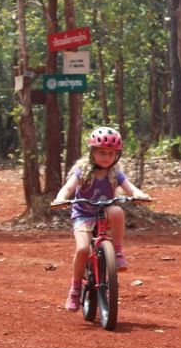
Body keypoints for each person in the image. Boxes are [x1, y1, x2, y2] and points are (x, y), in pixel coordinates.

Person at [52, 126, 151, 311]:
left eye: (111, 153)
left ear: (117, 156)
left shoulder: (115, 173)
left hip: (104, 213)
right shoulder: (82, 171)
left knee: (117, 211)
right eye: (102, 152)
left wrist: (140, 195)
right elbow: (68, 188)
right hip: (83, 214)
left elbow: (130, 188)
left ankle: (118, 252)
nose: (106, 157)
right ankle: (75, 289)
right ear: (92, 153)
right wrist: (61, 198)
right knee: (82, 249)